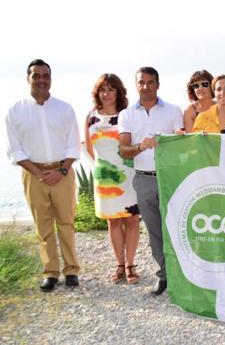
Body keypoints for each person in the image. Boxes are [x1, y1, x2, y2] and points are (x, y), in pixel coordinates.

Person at [5, 59, 81, 292]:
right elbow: (14, 149)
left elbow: (73, 144)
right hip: (33, 174)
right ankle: (50, 272)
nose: (41, 80)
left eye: (45, 75)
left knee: (66, 222)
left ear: (51, 78)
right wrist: (39, 173)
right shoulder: (15, 111)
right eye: (36, 75)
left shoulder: (65, 109)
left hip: (63, 172)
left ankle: (71, 271)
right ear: (28, 79)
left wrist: (60, 171)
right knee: (43, 225)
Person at [118, 66, 183, 296]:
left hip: (170, 179)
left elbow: (181, 143)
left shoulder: (173, 111)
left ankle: (181, 276)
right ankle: (164, 277)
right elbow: (124, 151)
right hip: (144, 180)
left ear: (157, 84)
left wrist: (177, 138)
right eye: (141, 82)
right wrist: (140, 146)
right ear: (136, 85)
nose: (145, 86)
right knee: (155, 232)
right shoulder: (126, 115)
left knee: (175, 229)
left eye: (150, 82)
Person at [85, 73, 140, 284]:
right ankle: (119, 264)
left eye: (111, 89)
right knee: (114, 221)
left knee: (132, 219)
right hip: (105, 178)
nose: (106, 94)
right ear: (98, 93)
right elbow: (89, 149)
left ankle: (131, 264)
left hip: (128, 174)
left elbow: (132, 144)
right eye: (103, 90)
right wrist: (103, 169)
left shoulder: (127, 115)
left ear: (119, 92)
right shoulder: (91, 116)